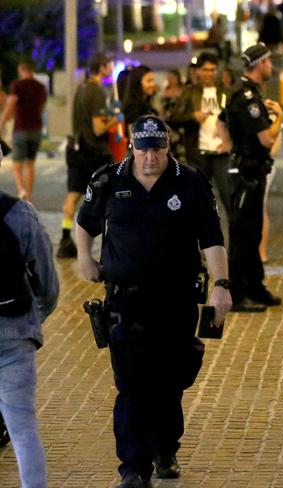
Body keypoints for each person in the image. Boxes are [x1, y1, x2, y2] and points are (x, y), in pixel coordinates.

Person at [76, 115, 232, 488]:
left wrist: (222, 285)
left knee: (170, 380)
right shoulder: (109, 180)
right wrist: (84, 256)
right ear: (132, 147)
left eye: (158, 149)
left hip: (175, 300)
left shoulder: (190, 181)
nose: (150, 157)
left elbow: (211, 237)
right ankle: (133, 468)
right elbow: (85, 221)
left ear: (167, 147)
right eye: (143, 149)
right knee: (131, 385)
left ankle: (165, 449)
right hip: (125, 301)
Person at [0, 142, 59, 488]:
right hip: (14, 335)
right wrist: (32, 317)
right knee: (22, 429)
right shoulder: (20, 214)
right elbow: (48, 285)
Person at [221, 43, 283, 312]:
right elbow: (267, 139)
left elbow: (221, 123)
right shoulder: (247, 96)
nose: (272, 67)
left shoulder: (242, 91)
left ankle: (255, 287)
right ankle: (237, 293)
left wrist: (231, 148)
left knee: (253, 230)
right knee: (242, 234)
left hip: (248, 169)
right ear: (260, 64)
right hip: (247, 172)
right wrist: (279, 116)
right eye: (269, 62)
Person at [57, 52, 118, 259]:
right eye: (109, 65)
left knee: (73, 195)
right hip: (96, 153)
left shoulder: (80, 89)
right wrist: (115, 118)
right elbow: (99, 129)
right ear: (101, 67)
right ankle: (110, 243)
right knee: (110, 195)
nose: (111, 69)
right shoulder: (97, 91)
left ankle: (65, 238)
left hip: (77, 150)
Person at [170, 52, 232, 217]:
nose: (209, 74)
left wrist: (230, 142)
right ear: (198, 71)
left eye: (212, 70)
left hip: (221, 154)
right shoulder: (190, 92)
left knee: (228, 197)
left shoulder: (226, 92)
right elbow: (174, 119)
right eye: (205, 70)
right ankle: (202, 239)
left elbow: (236, 120)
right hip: (198, 154)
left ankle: (235, 240)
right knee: (199, 201)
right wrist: (192, 117)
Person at [0, 59, 48, 202]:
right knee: (30, 164)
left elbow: (11, 104)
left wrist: (2, 123)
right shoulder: (40, 87)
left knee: (17, 164)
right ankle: (29, 196)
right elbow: (42, 107)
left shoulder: (17, 85)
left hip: (21, 128)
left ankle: (21, 190)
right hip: (36, 128)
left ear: (21, 70)